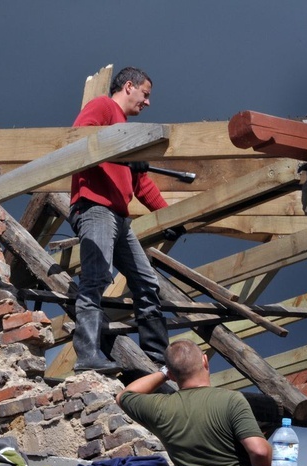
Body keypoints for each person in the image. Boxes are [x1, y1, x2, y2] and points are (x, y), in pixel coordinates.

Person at [69, 66, 183, 373]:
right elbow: (80, 138)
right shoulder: (103, 107)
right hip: (94, 206)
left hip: (120, 217)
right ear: (128, 86)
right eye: (145, 95)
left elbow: (142, 183)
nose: (147, 103)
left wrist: (168, 216)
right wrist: (120, 153)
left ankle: (158, 358)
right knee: (97, 277)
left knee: (146, 282)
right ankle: (87, 355)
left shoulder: (129, 132)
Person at [116, 339, 272, 466]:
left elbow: (124, 396)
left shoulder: (160, 408)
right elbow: (259, 451)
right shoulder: (231, 400)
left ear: (171, 375)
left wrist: (164, 372)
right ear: (205, 360)